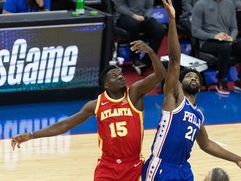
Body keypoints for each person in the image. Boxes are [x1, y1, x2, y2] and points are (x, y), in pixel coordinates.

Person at [10, 40, 166, 181]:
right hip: (108, 166)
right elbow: (65, 125)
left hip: (133, 165)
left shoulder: (134, 93)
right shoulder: (96, 105)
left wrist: (151, 52)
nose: (120, 77)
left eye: (120, 74)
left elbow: (160, 75)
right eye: (114, 76)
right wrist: (31, 135)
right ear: (106, 85)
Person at [142, 0, 241, 181]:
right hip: (162, 166)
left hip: (183, 169)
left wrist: (237, 158)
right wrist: (171, 19)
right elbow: (175, 60)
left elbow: (207, 144)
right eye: (189, 76)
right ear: (181, 83)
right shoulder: (174, 97)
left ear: (200, 87)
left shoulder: (198, 115)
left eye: (196, 77)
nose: (193, 78)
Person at [114, 0, 164, 75]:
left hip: (142, 17)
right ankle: (135, 58)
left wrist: (146, 16)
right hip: (124, 17)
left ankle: (147, 62)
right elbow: (118, 5)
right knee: (133, 24)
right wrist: (133, 15)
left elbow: (150, 6)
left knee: (159, 29)